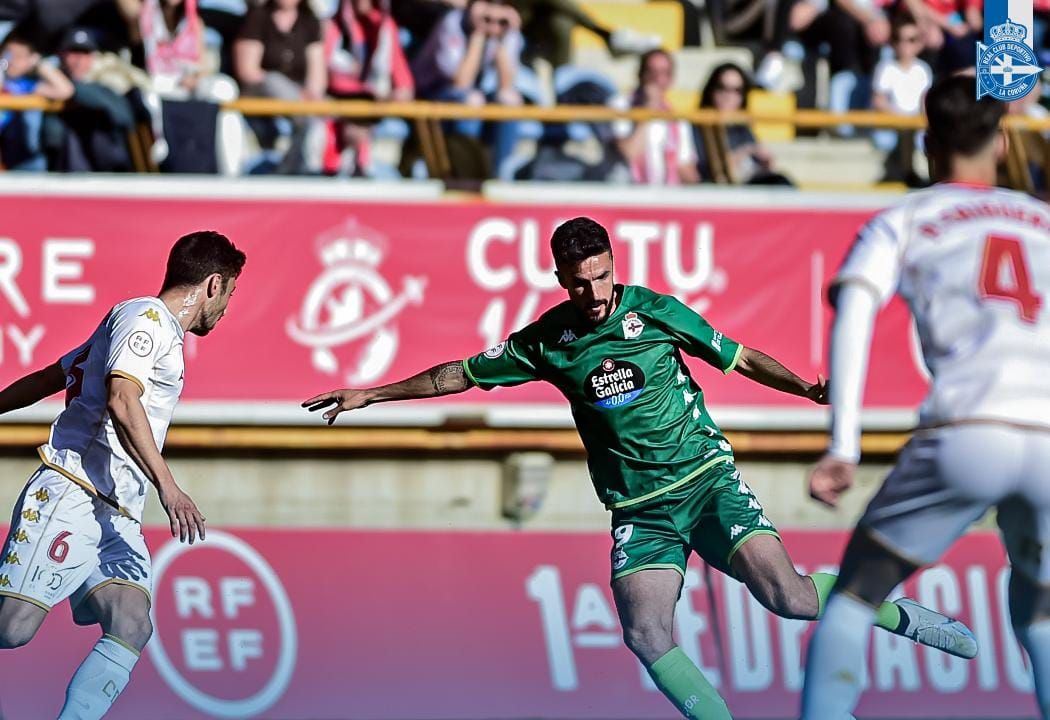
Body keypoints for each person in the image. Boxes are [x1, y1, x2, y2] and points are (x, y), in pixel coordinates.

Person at [304, 216, 977, 719]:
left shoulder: (652, 311)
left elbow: (738, 356)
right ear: (561, 282)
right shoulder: (548, 341)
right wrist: (374, 392)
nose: (592, 291)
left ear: (611, 265)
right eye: (579, 282)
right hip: (641, 511)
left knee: (793, 600)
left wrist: (803, 387)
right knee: (646, 633)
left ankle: (897, 616)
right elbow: (461, 374)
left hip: (707, 482)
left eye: (600, 276)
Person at [801, 75, 1050, 719]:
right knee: (1040, 609)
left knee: (856, 593)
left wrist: (842, 446)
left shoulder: (905, 218)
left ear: (928, 144)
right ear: (1000, 143)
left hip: (969, 426)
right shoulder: (1043, 223)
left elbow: (854, 311)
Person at [0, 231, 245, 720]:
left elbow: (54, 376)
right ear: (214, 285)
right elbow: (121, 399)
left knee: (132, 622)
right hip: (74, 491)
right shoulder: (145, 318)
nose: (227, 309)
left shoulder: (145, 328)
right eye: (232, 294)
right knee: (12, 628)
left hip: (115, 512)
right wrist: (168, 486)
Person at [411, 0, 524, 178]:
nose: (490, 11)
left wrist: (499, 38)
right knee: (472, 99)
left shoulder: (505, 28)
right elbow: (461, 82)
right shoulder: (452, 22)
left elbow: (506, 85)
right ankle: (466, 174)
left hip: (470, 94)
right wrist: (478, 35)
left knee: (510, 100)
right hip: (430, 92)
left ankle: (501, 175)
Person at [235, 0, 326, 174]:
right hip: (261, 91)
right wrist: (296, 96)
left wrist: (311, 93)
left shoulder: (309, 21)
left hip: (298, 100)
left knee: (323, 113)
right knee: (275, 82)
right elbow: (248, 71)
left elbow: (317, 75)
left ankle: (294, 169)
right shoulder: (258, 17)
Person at [695, 62, 792, 185]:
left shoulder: (742, 126)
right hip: (718, 193)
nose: (729, 96)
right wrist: (745, 152)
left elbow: (761, 166)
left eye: (737, 90)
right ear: (711, 90)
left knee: (781, 182)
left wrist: (765, 162)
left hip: (747, 189)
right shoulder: (698, 126)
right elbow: (709, 171)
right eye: (722, 87)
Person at [612, 49, 698, 186]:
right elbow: (630, 153)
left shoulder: (676, 118)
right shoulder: (621, 105)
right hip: (628, 195)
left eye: (664, 73)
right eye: (652, 72)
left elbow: (685, 167)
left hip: (665, 198)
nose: (657, 79)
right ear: (640, 75)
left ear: (671, 80)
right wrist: (649, 108)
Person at [0, 31, 74, 170]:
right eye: (8, 54)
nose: (12, 60)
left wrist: (39, 64)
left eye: (19, 56)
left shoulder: (26, 85)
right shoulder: (3, 80)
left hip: (23, 157)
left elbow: (65, 90)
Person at [870, 14, 930, 185]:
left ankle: (907, 174)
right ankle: (908, 174)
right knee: (906, 131)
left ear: (919, 43)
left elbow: (925, 103)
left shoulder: (923, 70)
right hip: (893, 124)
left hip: (915, 125)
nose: (904, 45)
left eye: (911, 39)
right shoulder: (885, 68)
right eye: (899, 39)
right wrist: (901, 118)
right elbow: (878, 101)